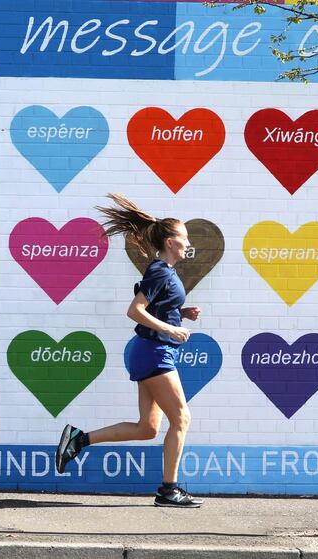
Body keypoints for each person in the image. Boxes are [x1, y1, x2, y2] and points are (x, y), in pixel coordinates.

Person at [55, 193, 204, 508]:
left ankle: (78, 440)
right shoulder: (160, 270)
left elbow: (157, 306)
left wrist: (182, 312)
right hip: (154, 351)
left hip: (150, 349)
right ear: (169, 242)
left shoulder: (167, 272)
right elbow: (135, 310)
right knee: (182, 419)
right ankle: (169, 490)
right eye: (184, 237)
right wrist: (171, 329)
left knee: (147, 428)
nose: (188, 243)